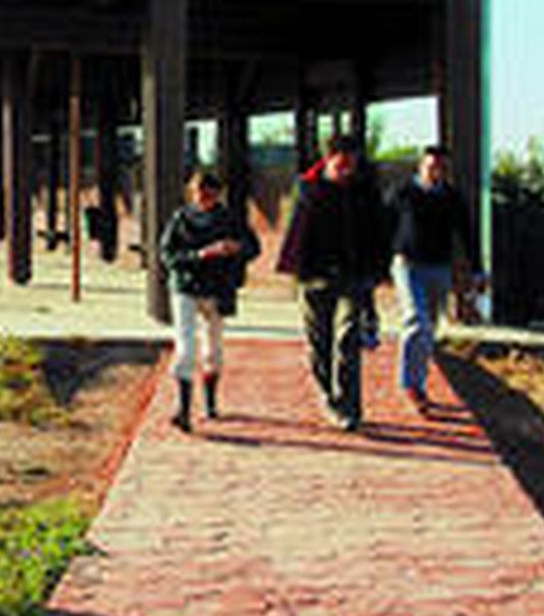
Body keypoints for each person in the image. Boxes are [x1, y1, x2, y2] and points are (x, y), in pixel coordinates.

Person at [276, 135, 390, 431]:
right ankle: (328, 396)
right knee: (319, 343)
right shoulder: (308, 188)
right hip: (314, 278)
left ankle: (350, 407)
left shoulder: (365, 190)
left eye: (351, 164)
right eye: (341, 163)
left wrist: (378, 272)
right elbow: (295, 229)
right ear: (328, 159)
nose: (346, 169)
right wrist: (296, 271)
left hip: (353, 276)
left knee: (347, 338)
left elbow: (379, 232)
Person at [159, 170, 261, 432]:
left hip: (218, 289)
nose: (205, 198)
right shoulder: (180, 219)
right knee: (186, 347)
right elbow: (167, 255)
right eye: (200, 193)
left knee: (214, 350)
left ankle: (210, 402)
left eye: (211, 194)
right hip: (186, 287)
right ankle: (182, 409)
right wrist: (199, 255)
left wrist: (235, 248)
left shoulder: (230, 219)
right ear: (192, 193)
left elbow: (254, 247)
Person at [389, 145, 485, 411]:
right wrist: (376, 265)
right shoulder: (403, 193)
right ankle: (410, 385)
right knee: (416, 320)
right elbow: (384, 226)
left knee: (429, 327)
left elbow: (468, 235)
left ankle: (418, 382)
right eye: (431, 167)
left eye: (441, 168)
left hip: (439, 268)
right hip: (407, 265)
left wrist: (477, 270)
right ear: (421, 166)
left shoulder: (453, 198)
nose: (435, 172)